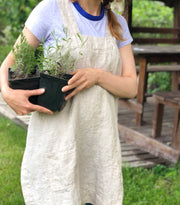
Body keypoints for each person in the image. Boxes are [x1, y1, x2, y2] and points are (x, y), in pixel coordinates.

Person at [0, 0, 137, 204]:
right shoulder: (51, 9)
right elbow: (9, 64)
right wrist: (7, 93)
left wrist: (97, 76)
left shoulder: (118, 23)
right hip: (56, 138)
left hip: (98, 141)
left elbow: (131, 87)